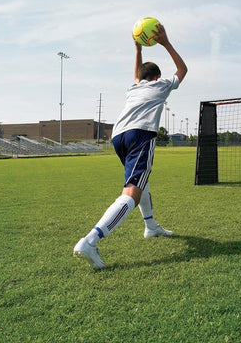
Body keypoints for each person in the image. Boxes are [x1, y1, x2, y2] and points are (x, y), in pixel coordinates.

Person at [73, 23, 188, 269]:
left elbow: (137, 73)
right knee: (132, 194)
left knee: (140, 183)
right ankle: (90, 241)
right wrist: (165, 42)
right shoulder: (161, 85)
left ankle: (151, 227)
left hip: (119, 136)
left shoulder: (133, 87)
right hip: (140, 135)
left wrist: (137, 48)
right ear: (156, 77)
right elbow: (182, 69)